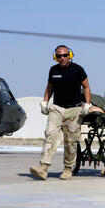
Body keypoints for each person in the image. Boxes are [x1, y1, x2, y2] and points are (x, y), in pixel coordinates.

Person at [30, 45, 91, 180]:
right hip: (57, 108)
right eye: (59, 56)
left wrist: (87, 105)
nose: (62, 58)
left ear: (70, 55)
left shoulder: (78, 70)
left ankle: (68, 168)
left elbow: (86, 87)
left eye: (65, 55)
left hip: (74, 110)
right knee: (50, 134)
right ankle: (43, 167)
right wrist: (45, 102)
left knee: (70, 141)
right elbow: (49, 87)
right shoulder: (53, 70)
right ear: (55, 57)